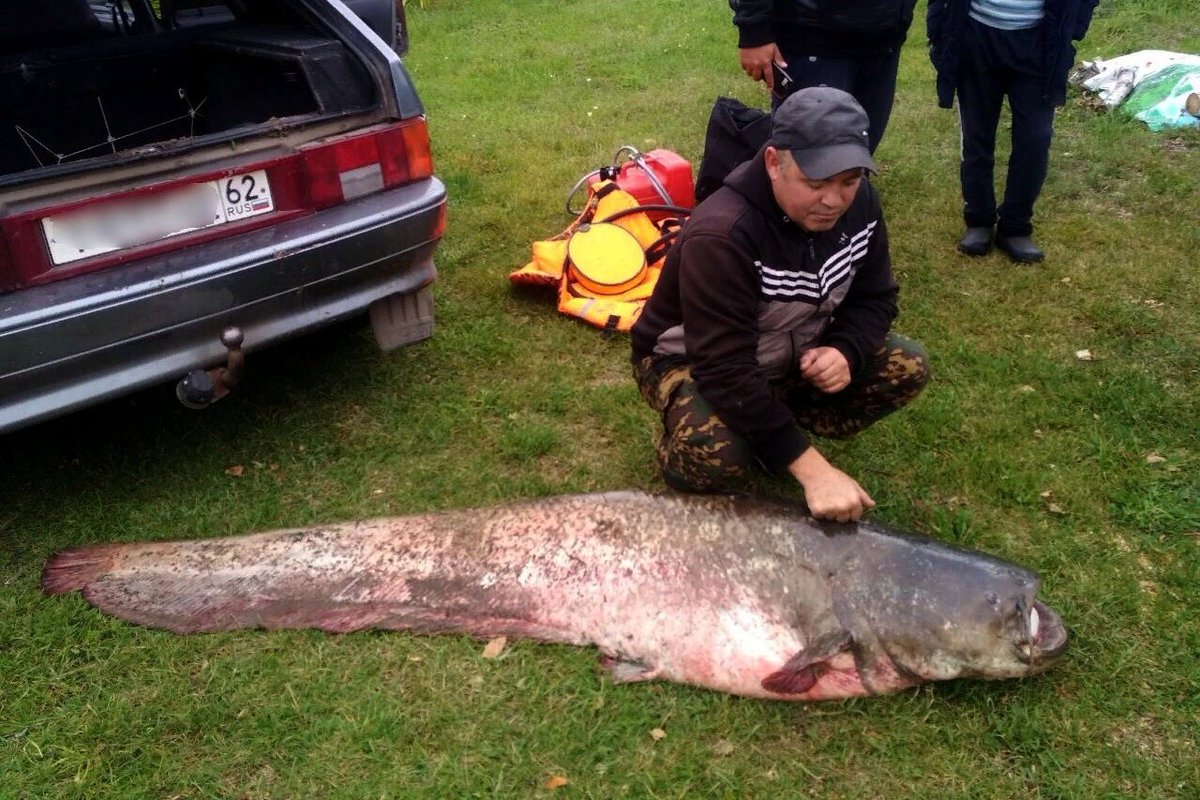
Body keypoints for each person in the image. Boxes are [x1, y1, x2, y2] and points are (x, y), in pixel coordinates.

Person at [631, 88, 930, 522]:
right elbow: (724, 369)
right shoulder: (722, 235)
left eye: (849, 181)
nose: (834, 201)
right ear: (774, 163)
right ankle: (692, 449)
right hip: (692, 359)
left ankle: (774, 424)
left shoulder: (861, 202)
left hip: (792, 348)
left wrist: (845, 350)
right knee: (716, 454)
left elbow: (876, 296)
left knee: (908, 364)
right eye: (816, 183)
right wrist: (816, 473)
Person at [927, 0, 1099, 262]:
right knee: (976, 136)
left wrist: (1074, 26)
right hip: (976, 36)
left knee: (1035, 140)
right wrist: (938, 27)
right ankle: (979, 219)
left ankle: (1016, 225)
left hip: (1039, 41)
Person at [729, 0, 919, 152]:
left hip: (885, 35)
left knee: (857, 154)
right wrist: (753, 27)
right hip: (814, 35)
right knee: (808, 159)